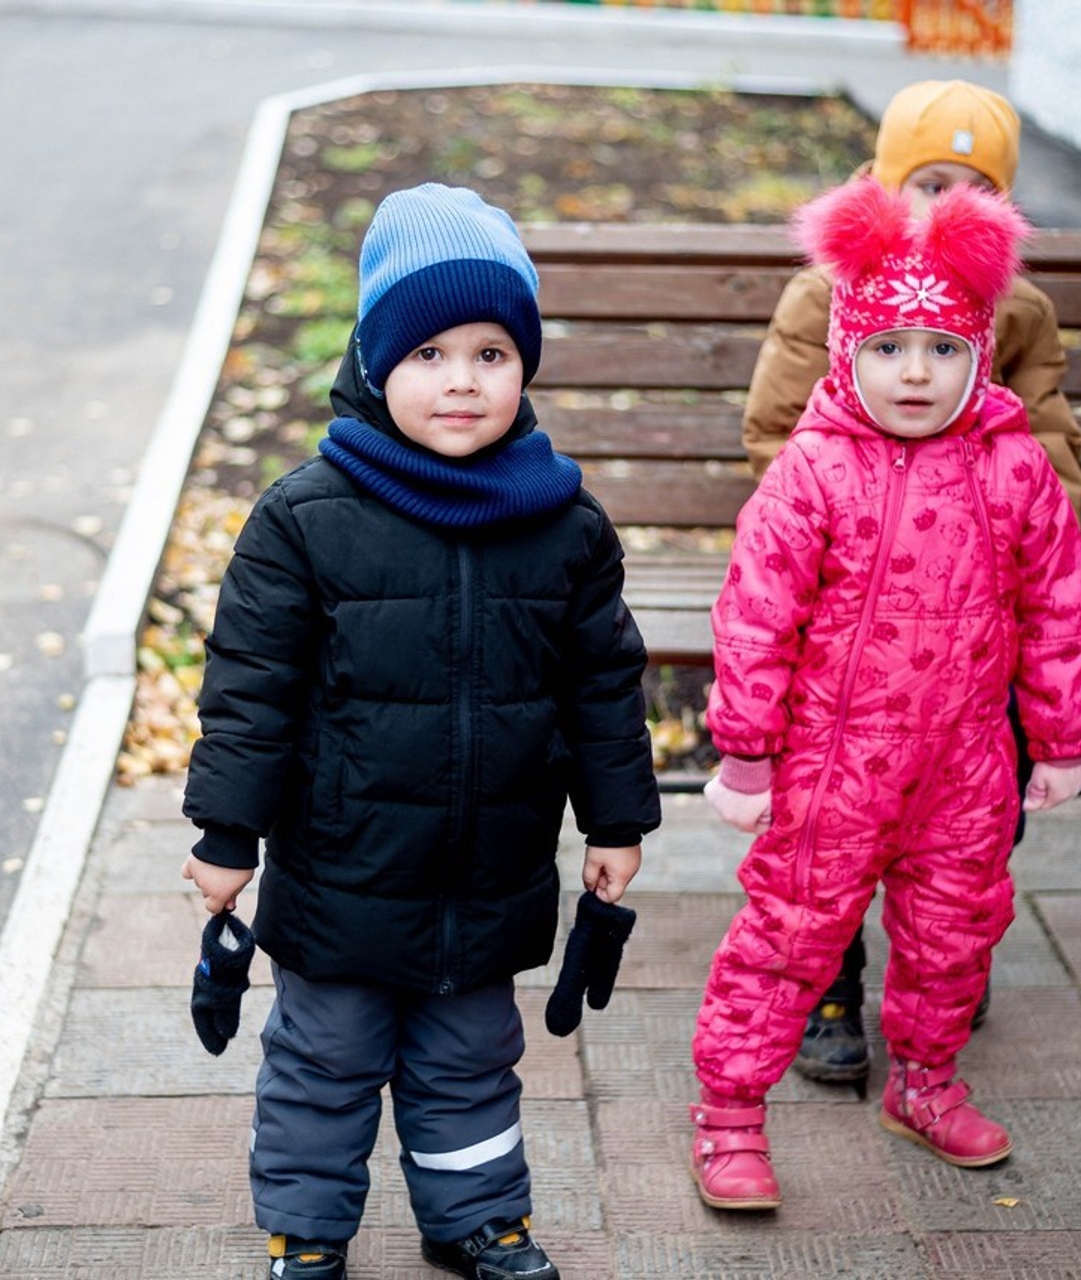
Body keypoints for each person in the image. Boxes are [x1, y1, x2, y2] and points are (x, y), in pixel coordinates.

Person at [181, 183, 661, 1279]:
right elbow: (251, 688)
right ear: (374, 361)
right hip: (343, 866)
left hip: (489, 868)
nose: (461, 379)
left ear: (524, 369)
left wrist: (616, 821)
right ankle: (307, 1227)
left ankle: (475, 1216)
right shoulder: (306, 517)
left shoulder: (563, 522)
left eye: (492, 353)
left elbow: (602, 684)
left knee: (471, 1060)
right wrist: (226, 834)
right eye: (429, 352)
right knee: (325, 1058)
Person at [688, 176, 1081, 1212]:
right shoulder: (811, 473)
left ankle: (925, 1082)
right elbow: (755, 616)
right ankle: (730, 1109)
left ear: (978, 353)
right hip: (833, 768)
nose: (914, 370)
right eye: (888, 346)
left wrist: (1057, 739)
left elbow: (1055, 605)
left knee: (955, 933)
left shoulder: (1013, 470)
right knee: (789, 937)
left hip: (964, 765)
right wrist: (745, 751)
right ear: (845, 350)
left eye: (942, 348)